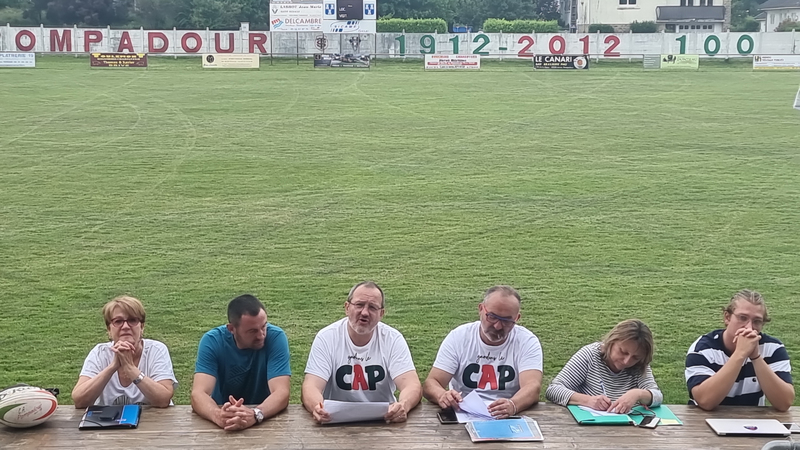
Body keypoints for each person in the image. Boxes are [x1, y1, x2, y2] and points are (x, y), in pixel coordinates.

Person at [302, 281, 422, 423]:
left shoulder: (393, 339)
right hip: (335, 421)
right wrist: (317, 407)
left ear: (381, 314)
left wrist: (403, 405)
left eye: (372, 307)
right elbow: (311, 386)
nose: (364, 312)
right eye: (359, 305)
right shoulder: (327, 337)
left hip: (384, 421)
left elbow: (411, 384)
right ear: (347, 307)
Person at [422, 285, 543, 418]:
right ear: (480, 309)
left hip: (507, 416)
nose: (498, 326)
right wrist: (442, 395)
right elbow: (432, 383)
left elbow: (532, 387)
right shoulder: (459, 337)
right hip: (464, 412)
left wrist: (513, 405)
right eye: (492, 317)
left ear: (516, 318)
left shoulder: (526, 341)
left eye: (506, 321)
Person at [191, 294, 291, 430]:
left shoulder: (276, 337)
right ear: (231, 329)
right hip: (225, 417)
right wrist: (218, 415)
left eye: (264, 326)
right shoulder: (212, 341)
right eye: (252, 331)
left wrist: (255, 414)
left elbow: (281, 392)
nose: (261, 335)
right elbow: (198, 394)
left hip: (266, 420)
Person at [686, 289, 794, 411]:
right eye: (742, 318)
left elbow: (784, 403)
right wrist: (740, 354)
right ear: (727, 317)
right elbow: (705, 401)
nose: (749, 327)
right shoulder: (702, 349)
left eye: (757, 321)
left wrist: (756, 357)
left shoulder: (773, 348)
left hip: (751, 420)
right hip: (703, 420)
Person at [72, 295, 177, 408]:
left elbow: (163, 400)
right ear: (109, 329)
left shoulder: (156, 350)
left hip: (155, 419)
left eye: (132, 320)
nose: (125, 326)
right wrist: (112, 367)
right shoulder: (99, 353)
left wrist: (130, 368)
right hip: (109, 419)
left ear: (142, 327)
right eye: (118, 321)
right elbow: (79, 401)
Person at [545, 319, 662, 413]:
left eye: (635, 357)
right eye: (623, 352)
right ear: (611, 342)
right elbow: (553, 390)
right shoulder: (590, 355)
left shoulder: (640, 365)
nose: (627, 361)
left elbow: (657, 396)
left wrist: (637, 394)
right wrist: (588, 400)